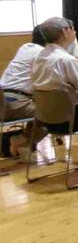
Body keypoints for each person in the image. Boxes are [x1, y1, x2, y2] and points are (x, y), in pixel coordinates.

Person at [31, 17, 78, 133]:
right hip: (70, 120)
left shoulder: (37, 58)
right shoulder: (66, 60)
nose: (75, 32)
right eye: (72, 29)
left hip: (43, 119)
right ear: (64, 32)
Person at [1, 25, 48, 155]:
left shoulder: (25, 47)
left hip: (3, 100)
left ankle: (24, 144)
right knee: (51, 114)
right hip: (15, 104)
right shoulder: (43, 54)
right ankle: (21, 140)